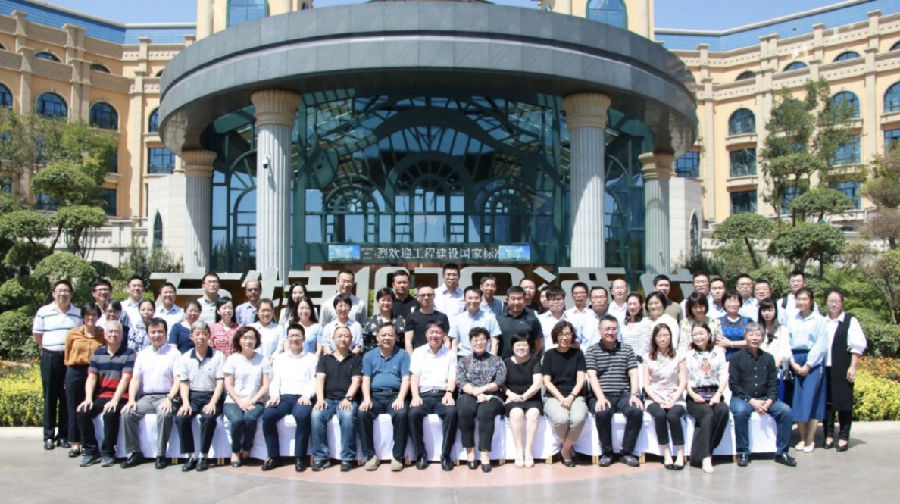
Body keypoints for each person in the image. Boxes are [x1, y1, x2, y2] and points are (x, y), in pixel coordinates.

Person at [729, 322, 797, 468]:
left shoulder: (768, 358)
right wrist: (751, 401)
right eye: (751, 334)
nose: (754, 338)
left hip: (765, 397)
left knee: (786, 411)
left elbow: (773, 383)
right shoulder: (736, 358)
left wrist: (770, 400)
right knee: (740, 412)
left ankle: (782, 452)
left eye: (758, 335)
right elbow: (734, 384)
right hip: (743, 398)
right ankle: (743, 452)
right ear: (745, 336)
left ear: (763, 337)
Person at [584, 315, 643, 467]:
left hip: (624, 394)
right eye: (607, 329)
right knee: (602, 412)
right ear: (600, 330)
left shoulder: (627, 349)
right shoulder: (592, 350)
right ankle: (607, 453)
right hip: (601, 394)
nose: (610, 332)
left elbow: (633, 373)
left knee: (636, 411)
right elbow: (592, 376)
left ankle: (627, 452)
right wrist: (600, 397)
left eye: (614, 329)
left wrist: (634, 395)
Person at [121, 317, 180, 469]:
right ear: (148, 334)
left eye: (160, 332)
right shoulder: (143, 354)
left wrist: (169, 398)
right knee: (127, 413)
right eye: (153, 332)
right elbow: (135, 379)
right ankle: (134, 453)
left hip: (167, 395)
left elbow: (178, 380)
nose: (156, 335)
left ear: (166, 333)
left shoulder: (174, 353)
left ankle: (160, 455)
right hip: (147, 397)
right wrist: (131, 400)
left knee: (164, 414)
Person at [75, 320, 134, 467]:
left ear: (121, 335)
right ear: (105, 335)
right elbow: (91, 377)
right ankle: (91, 451)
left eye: (116, 332)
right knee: (83, 412)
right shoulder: (98, 353)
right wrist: (88, 399)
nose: (113, 335)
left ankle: (108, 452)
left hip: (121, 397)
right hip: (101, 396)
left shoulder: (129, 353)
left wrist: (115, 400)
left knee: (110, 413)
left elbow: (126, 378)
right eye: (110, 332)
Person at [261, 323, 318, 471]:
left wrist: (307, 395)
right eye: (291, 336)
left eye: (297, 335)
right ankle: (273, 456)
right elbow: (275, 380)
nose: (294, 339)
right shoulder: (280, 359)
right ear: (287, 338)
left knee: (303, 416)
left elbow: (314, 380)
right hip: (283, 398)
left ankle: (300, 457)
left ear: (303, 338)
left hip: (302, 397)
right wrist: (274, 395)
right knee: (268, 415)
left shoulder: (312, 358)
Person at [33, 279, 82, 450]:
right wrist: (50, 348)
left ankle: (63, 435)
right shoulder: (44, 312)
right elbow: (38, 335)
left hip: (69, 359)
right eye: (59, 290)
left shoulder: (77, 313)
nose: (63, 294)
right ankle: (48, 436)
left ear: (71, 294)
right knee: (50, 396)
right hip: (50, 357)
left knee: (66, 396)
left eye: (66, 290)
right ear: (54, 293)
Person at [358, 322, 410, 471]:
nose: (387, 338)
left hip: (395, 395)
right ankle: (370, 456)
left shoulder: (403, 355)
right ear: (377, 337)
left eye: (390, 335)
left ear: (396, 337)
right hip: (375, 396)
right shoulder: (369, 356)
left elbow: (406, 378)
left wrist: (400, 398)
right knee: (362, 413)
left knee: (401, 413)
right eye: (384, 335)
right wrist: (366, 399)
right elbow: (366, 379)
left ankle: (397, 456)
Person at [174, 320, 225, 472]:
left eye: (204, 334)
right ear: (191, 336)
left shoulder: (218, 356)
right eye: (197, 334)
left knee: (208, 418)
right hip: (192, 396)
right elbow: (184, 383)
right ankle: (190, 456)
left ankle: (203, 456)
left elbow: (220, 383)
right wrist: (185, 403)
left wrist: (213, 403)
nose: (201, 337)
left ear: (209, 336)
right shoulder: (185, 357)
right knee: (182, 417)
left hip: (211, 395)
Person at [408, 322, 458, 471]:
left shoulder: (450, 354)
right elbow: (414, 377)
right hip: (423, 395)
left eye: (438, 332)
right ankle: (420, 454)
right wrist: (415, 396)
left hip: (443, 394)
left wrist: (449, 393)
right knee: (413, 413)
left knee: (451, 412)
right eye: (431, 332)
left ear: (443, 335)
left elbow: (452, 377)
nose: (435, 335)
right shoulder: (418, 352)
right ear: (426, 334)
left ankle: (446, 455)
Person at [311, 326, 362, 472]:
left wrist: (348, 398)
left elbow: (356, 381)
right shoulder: (325, 359)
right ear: (333, 339)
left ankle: (347, 457)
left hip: (347, 399)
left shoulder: (356, 359)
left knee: (347, 416)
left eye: (346, 336)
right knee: (316, 415)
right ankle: (321, 457)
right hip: (328, 399)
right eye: (339, 336)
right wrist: (320, 399)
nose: (342, 339)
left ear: (351, 339)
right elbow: (320, 380)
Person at [456, 327, 506, 472]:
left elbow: (499, 382)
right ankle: (470, 452)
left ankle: (485, 454)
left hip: (491, 395)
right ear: (470, 342)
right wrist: (476, 393)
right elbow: (461, 382)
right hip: (469, 394)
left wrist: (482, 390)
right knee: (465, 409)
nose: (479, 342)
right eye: (475, 340)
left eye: (482, 339)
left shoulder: (497, 360)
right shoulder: (463, 361)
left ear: (488, 342)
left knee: (485, 411)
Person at [822, 290, 867, 452]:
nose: (833, 304)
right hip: (824, 367)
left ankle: (843, 436)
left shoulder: (849, 321)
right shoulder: (822, 321)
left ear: (842, 303)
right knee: (827, 403)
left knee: (844, 403)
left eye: (837, 301)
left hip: (842, 366)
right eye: (830, 301)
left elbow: (858, 345)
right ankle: (828, 435)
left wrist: (852, 366)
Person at [786, 287, 828, 453]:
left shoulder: (819, 320)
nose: (801, 302)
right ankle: (802, 438)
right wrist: (793, 363)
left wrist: (809, 364)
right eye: (799, 299)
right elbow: (786, 341)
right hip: (796, 359)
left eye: (805, 299)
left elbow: (821, 345)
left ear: (811, 301)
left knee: (811, 399)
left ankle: (811, 438)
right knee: (798, 400)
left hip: (813, 361)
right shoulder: (792, 319)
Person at [684, 321, 729, 474]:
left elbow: (723, 375)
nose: (698, 337)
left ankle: (705, 451)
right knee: (707, 414)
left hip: (714, 393)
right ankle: (705, 457)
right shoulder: (688, 354)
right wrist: (693, 395)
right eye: (695, 334)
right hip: (695, 395)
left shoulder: (718, 352)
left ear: (709, 334)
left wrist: (718, 395)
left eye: (701, 333)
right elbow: (685, 378)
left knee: (722, 410)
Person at [223, 326, 271, 467]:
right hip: (233, 401)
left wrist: (252, 401)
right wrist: (240, 402)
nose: (248, 341)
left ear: (256, 340)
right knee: (237, 420)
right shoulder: (232, 359)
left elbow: (265, 385)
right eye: (244, 338)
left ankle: (247, 447)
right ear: (239, 340)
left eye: (251, 338)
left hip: (255, 400)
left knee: (250, 418)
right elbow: (228, 385)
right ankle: (235, 451)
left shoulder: (262, 360)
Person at [542, 320, 588, 468]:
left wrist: (571, 397)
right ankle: (569, 451)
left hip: (575, 395)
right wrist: (561, 398)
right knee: (562, 419)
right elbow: (547, 381)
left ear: (572, 336)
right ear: (556, 336)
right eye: (561, 334)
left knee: (578, 418)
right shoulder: (549, 355)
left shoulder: (578, 354)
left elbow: (581, 380)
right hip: (554, 396)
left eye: (568, 334)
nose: (565, 337)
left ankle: (565, 450)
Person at [63, 304, 106, 458]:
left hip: (94, 372)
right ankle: (75, 442)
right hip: (75, 371)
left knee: (89, 406)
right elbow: (67, 354)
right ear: (83, 316)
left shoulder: (102, 334)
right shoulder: (73, 334)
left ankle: (88, 440)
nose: (91, 317)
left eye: (94, 314)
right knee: (73, 407)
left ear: (98, 316)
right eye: (88, 314)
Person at [643, 323, 686, 470]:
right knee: (660, 415)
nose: (663, 339)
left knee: (673, 416)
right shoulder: (648, 357)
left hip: (675, 397)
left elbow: (683, 382)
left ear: (670, 337)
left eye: (666, 335)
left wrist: (673, 400)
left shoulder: (679, 356)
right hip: (654, 398)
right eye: (659, 335)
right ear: (654, 338)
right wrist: (659, 400)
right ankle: (666, 452)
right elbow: (646, 385)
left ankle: (680, 453)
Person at [503, 333, 543, 468]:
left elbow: (537, 384)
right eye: (518, 345)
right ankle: (519, 450)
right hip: (513, 397)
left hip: (531, 397)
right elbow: (502, 385)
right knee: (516, 413)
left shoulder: (535, 361)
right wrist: (510, 395)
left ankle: (528, 451)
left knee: (533, 413)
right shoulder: (506, 362)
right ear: (512, 346)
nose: (521, 348)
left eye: (524, 345)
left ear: (529, 346)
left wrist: (524, 396)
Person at [449, 286, 501, 356]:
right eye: (470, 298)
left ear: (481, 299)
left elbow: (494, 342)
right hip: (464, 357)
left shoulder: (490, 318)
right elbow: (454, 343)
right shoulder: (457, 319)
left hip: (485, 358)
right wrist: (454, 360)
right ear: (464, 299)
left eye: (476, 298)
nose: (473, 301)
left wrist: (493, 359)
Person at [758, 298, 792, 403]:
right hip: (758, 372)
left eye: (770, 310)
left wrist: (777, 362)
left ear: (775, 311)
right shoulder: (756, 329)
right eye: (764, 310)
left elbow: (786, 351)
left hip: (777, 371)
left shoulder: (782, 330)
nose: (767, 313)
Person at [496, 286, 543, 358]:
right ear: (507, 300)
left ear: (524, 300)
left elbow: (539, 342)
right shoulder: (499, 318)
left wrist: (531, 357)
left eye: (519, 299)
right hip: (503, 362)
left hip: (525, 362)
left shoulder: (532, 318)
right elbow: (494, 342)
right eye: (513, 299)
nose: (516, 302)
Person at [404, 284, 450, 354]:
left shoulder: (442, 317)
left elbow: (446, 341)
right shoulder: (411, 317)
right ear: (418, 298)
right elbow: (408, 342)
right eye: (423, 295)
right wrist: (412, 358)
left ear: (434, 296)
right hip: (419, 356)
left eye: (429, 295)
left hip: (440, 356)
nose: (426, 297)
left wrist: (445, 356)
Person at [362, 288, 407, 352]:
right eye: (383, 300)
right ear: (378, 302)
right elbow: (365, 342)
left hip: (396, 355)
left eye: (389, 300)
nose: (386, 303)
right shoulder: (370, 321)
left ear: (393, 302)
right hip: (374, 356)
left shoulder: (401, 320)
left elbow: (406, 342)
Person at [539, 286, 579, 351]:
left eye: (558, 299)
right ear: (547, 301)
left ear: (563, 300)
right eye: (552, 299)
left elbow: (577, 341)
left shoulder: (573, 318)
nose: (556, 302)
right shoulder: (540, 319)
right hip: (547, 356)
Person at [718, 290, 751, 360]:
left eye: (735, 301)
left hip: (744, 359)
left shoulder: (748, 321)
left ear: (740, 304)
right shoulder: (717, 321)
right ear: (724, 304)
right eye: (729, 301)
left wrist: (730, 343)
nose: (732, 304)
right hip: (724, 359)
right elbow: (716, 342)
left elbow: (751, 341)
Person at [621, 293, 651, 359]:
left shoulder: (645, 322)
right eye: (630, 304)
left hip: (640, 360)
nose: (632, 307)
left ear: (640, 306)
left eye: (634, 304)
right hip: (624, 359)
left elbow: (645, 347)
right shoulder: (623, 324)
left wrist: (635, 360)